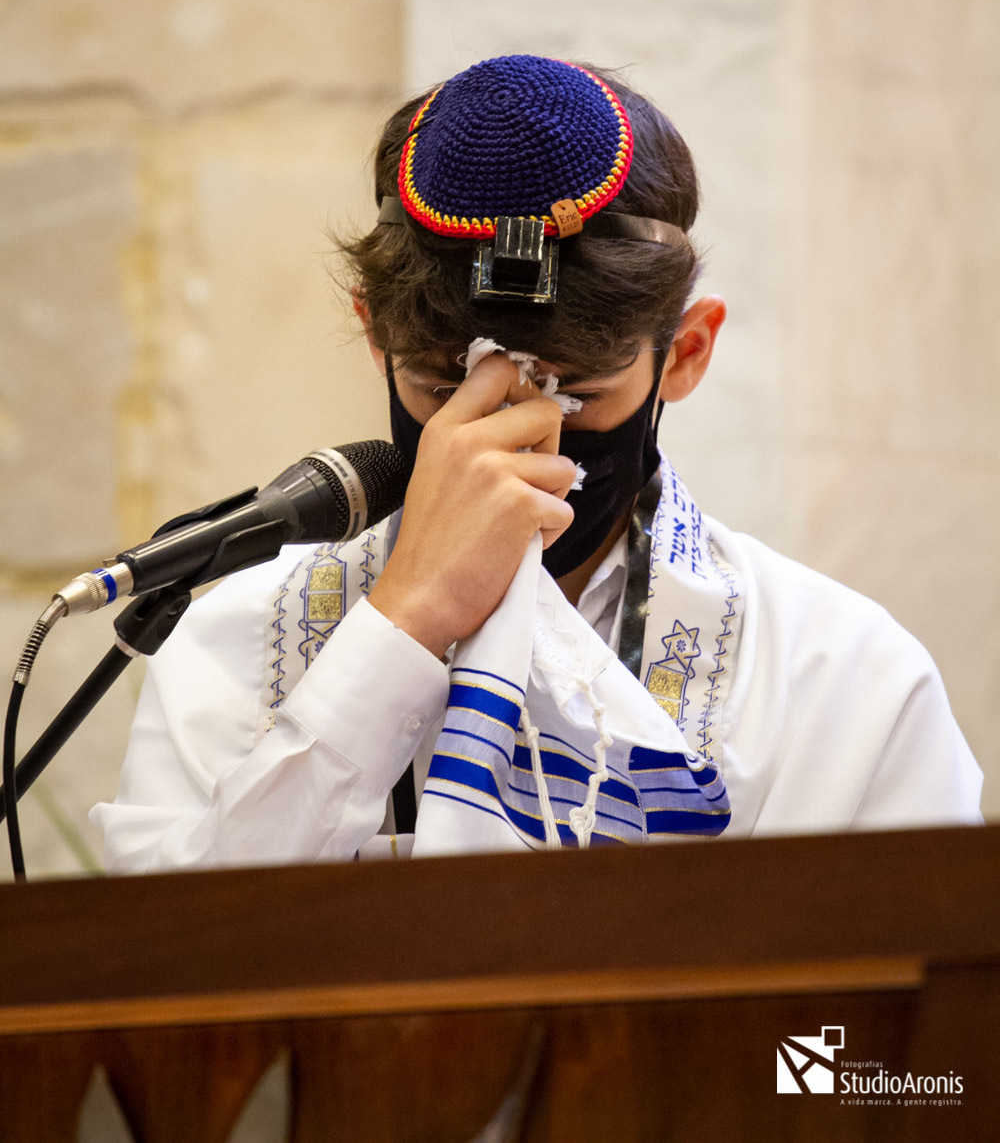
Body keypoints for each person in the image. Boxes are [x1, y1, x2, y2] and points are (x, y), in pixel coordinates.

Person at [92, 56, 982, 871]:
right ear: (373, 331)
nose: (514, 443)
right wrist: (405, 622)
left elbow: (889, 1038)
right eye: (448, 386)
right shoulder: (234, 647)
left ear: (687, 352)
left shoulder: (842, 678)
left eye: (579, 394)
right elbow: (174, 979)